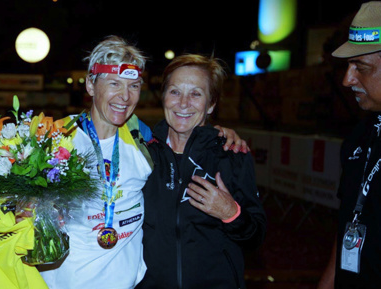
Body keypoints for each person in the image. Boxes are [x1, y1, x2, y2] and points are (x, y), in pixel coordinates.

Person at [35, 37, 248, 289]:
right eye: (114, 83)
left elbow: (186, 132)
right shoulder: (52, 140)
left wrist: (219, 134)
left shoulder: (143, 138)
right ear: (91, 85)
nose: (124, 97)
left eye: (134, 86)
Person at [137, 54, 266, 289]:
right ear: (163, 96)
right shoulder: (141, 154)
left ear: (211, 104)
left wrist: (231, 213)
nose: (183, 103)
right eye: (175, 91)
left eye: (196, 94)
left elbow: (255, 238)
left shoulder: (231, 154)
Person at [318, 2, 381, 288]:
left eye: (361, 67)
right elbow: (348, 223)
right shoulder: (360, 135)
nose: (347, 79)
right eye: (347, 66)